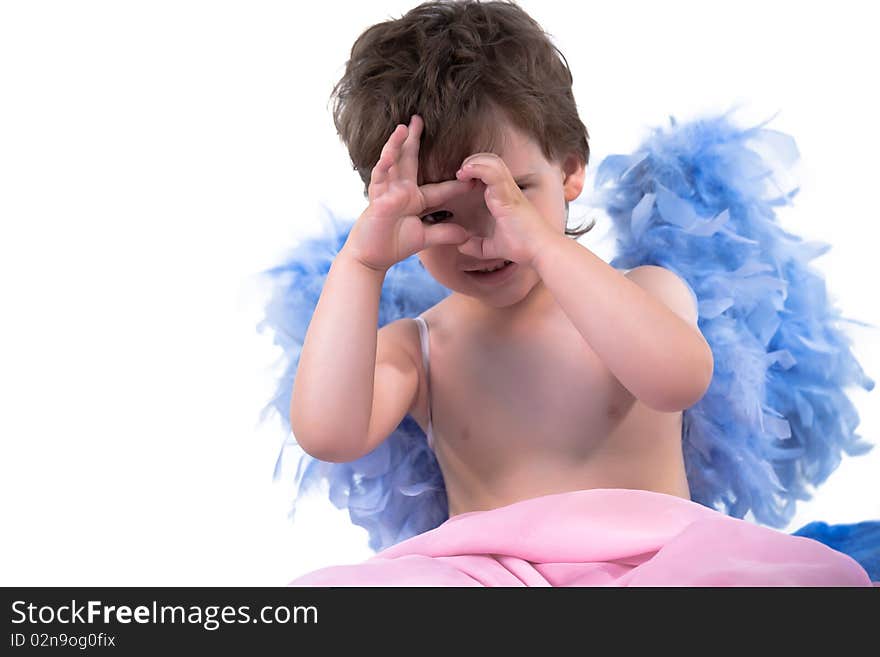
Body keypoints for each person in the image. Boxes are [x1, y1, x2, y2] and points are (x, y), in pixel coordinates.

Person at [276, 0, 874, 586]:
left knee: (805, 584)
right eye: (439, 216)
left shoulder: (643, 290)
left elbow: (678, 380)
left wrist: (547, 247)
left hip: (663, 562)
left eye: (509, 196)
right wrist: (361, 263)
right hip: (489, 573)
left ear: (569, 172)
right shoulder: (418, 346)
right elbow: (330, 434)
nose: (484, 238)